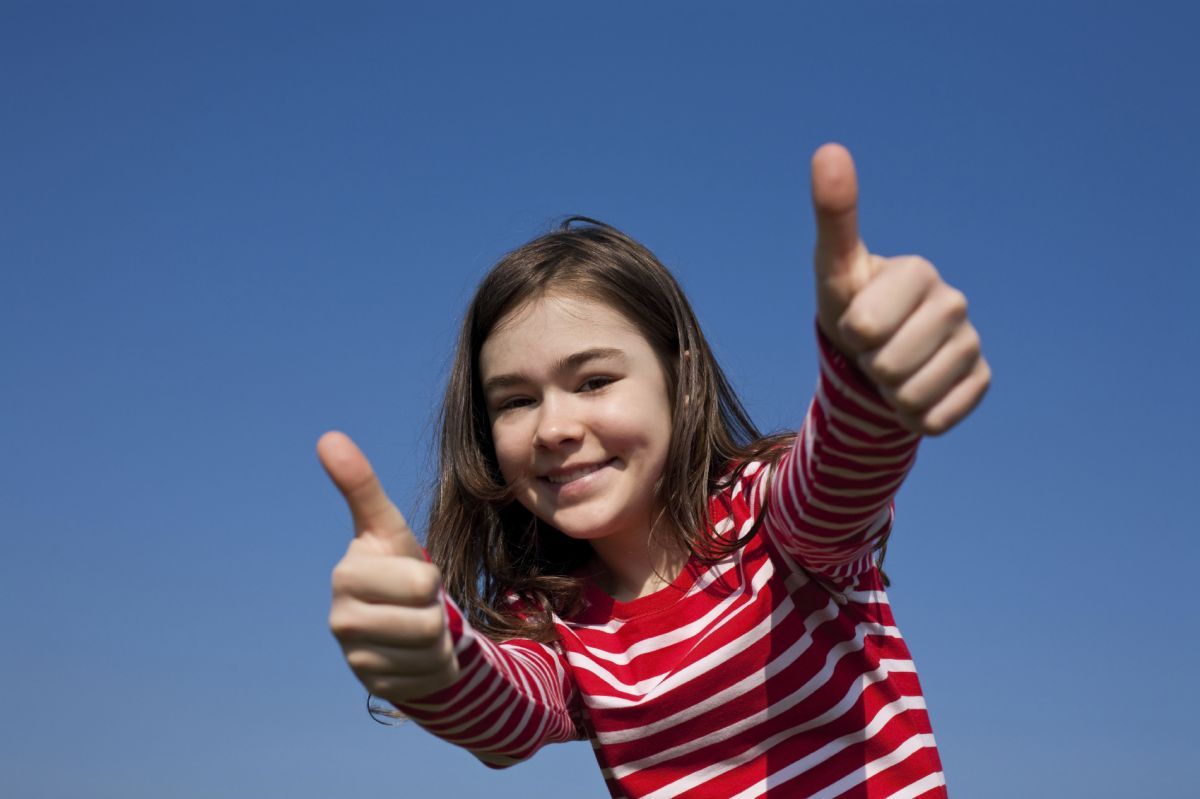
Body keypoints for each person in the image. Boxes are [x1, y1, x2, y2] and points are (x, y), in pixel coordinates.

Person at [319, 143, 989, 798]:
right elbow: (508, 710)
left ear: (680, 381)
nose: (553, 427)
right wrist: (441, 664)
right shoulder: (555, 621)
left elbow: (839, 479)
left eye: (594, 381)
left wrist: (866, 377)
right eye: (516, 401)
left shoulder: (767, 518)